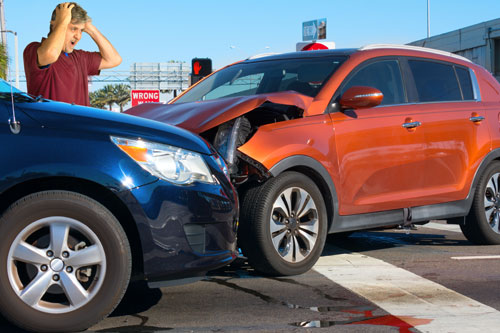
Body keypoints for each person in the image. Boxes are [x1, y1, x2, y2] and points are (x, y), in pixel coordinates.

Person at [23, 2, 121, 106]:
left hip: (80, 122)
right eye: (73, 28)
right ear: (54, 24)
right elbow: (51, 53)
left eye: (81, 30)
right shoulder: (34, 50)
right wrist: (63, 21)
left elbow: (114, 59)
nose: (78, 36)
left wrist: (91, 30)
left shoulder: (80, 57)